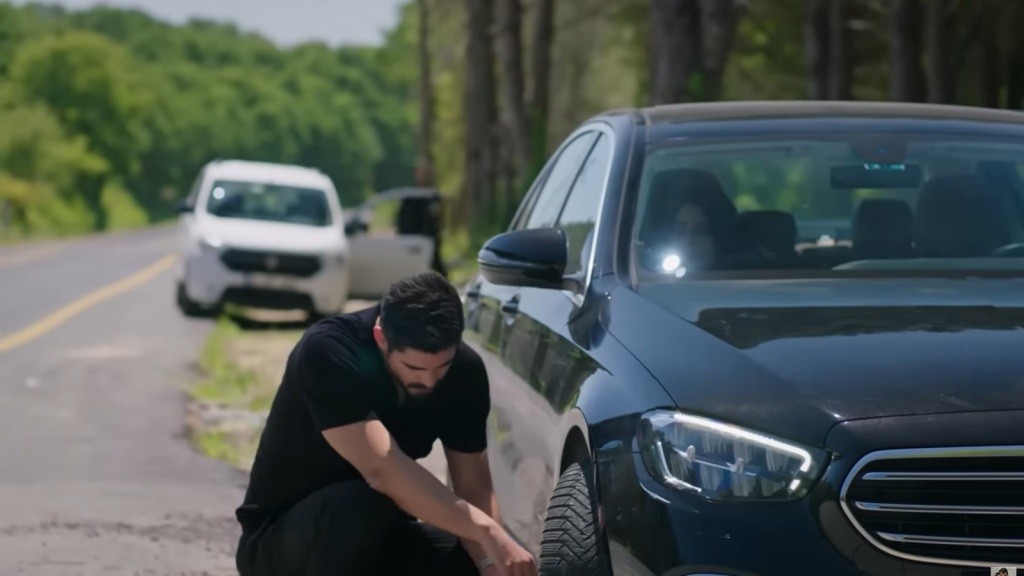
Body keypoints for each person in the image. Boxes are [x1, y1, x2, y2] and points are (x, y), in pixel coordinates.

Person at [234, 272, 537, 576]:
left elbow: (474, 487)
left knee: (471, 559)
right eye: (413, 367)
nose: (429, 380)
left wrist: (490, 561)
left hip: (379, 532)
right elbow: (382, 471)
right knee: (359, 505)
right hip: (284, 542)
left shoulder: (464, 372)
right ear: (381, 338)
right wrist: (487, 531)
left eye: (441, 367)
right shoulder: (329, 351)